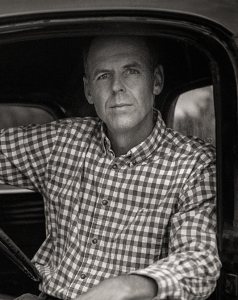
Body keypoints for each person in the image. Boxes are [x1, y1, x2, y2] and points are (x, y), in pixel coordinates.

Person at [0, 35, 221, 300]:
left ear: (157, 81)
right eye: (103, 75)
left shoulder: (195, 163)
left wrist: (125, 287)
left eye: (131, 71)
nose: (117, 87)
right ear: (89, 90)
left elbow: (199, 263)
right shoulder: (63, 141)